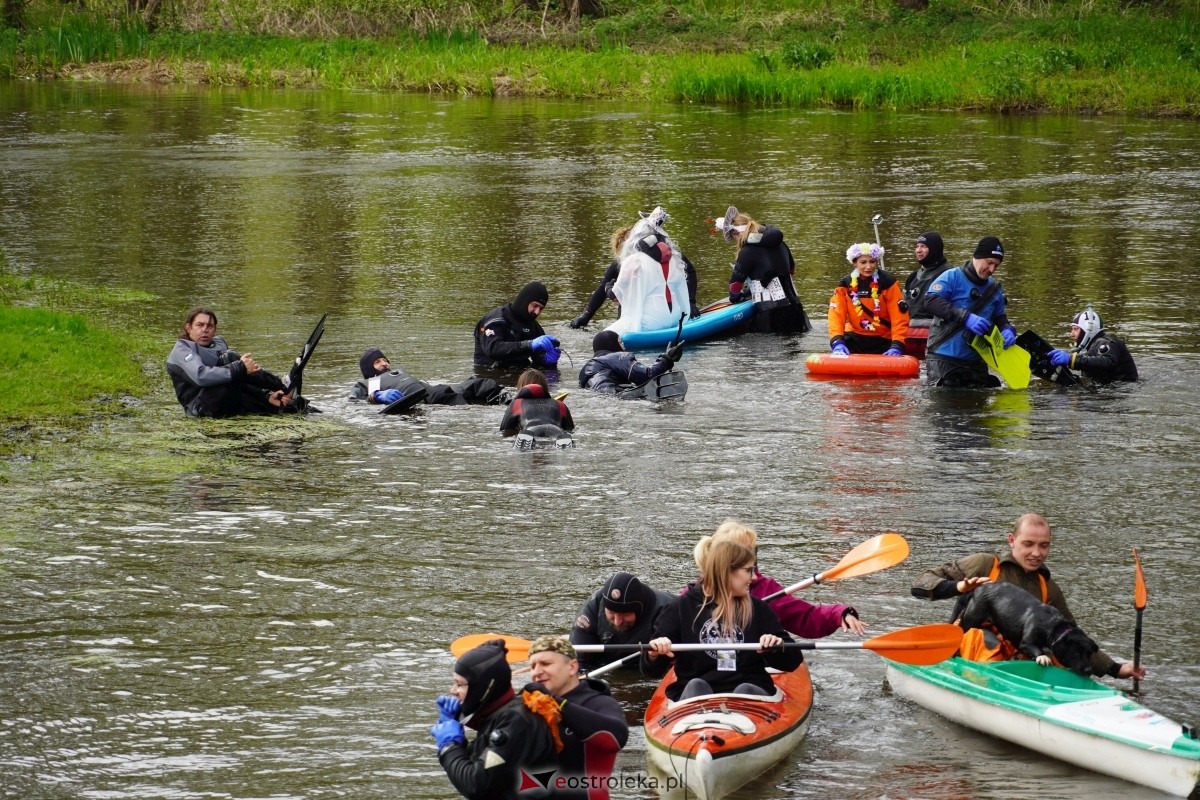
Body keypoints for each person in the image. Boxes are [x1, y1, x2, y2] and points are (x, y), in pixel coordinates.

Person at [910, 513, 1146, 681]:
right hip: (974, 657)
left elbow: (1072, 638)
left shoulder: (1048, 587)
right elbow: (920, 583)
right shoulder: (983, 564)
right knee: (986, 639)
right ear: (1011, 541)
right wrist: (958, 586)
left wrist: (1115, 669)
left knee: (1052, 653)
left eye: (1044, 546)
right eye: (1028, 544)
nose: (1037, 553)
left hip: (1017, 665)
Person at [642, 540, 805, 700]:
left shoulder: (758, 609)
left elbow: (792, 662)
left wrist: (775, 646)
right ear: (727, 572)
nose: (754, 577)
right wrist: (654, 654)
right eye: (749, 570)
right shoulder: (681, 608)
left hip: (751, 692)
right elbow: (651, 671)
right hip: (695, 697)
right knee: (696, 686)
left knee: (745, 689)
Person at [695, 519, 867, 638]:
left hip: (754, 667)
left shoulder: (766, 590)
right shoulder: (694, 595)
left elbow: (806, 618)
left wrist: (839, 614)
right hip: (706, 671)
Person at [431, 639, 557, 800]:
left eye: (460, 684)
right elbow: (479, 765)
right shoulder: (499, 715)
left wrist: (449, 746)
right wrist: (459, 736)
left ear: (483, 688)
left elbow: (476, 785)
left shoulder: (517, 722)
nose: (453, 691)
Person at [524, 635, 629, 800]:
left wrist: (558, 704)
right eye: (532, 666)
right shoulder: (529, 705)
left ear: (572, 667)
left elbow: (616, 738)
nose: (537, 672)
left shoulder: (599, 703)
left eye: (545, 664)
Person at [166, 306, 309, 417]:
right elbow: (201, 376)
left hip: (227, 401)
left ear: (215, 329)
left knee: (283, 407)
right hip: (202, 409)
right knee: (232, 359)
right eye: (200, 325)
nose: (205, 330)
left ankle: (284, 397)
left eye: (210, 326)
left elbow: (237, 380)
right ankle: (283, 384)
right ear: (188, 327)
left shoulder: (218, 344)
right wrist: (239, 367)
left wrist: (265, 395)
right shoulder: (181, 351)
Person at [569, 211, 699, 329]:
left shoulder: (665, 257)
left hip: (647, 319)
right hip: (669, 315)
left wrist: (691, 301)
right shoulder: (671, 255)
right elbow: (601, 290)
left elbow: (610, 292)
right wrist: (586, 315)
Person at [923, 235, 1017, 387]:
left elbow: (1000, 318)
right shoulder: (951, 277)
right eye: (990, 263)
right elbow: (930, 301)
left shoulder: (995, 289)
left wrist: (1008, 330)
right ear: (977, 256)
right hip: (943, 358)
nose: (992, 269)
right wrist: (965, 317)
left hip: (976, 361)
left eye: (996, 266)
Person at [713, 206, 810, 333]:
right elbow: (791, 270)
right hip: (796, 309)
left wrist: (740, 295)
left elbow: (734, 289)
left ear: (736, 234)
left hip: (770, 314)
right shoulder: (781, 243)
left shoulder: (746, 252)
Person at [605, 208, 694, 337]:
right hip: (676, 317)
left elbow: (617, 296)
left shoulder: (634, 260)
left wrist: (608, 288)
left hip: (651, 323)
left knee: (602, 338)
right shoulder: (675, 258)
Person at [570, 571, 674, 672]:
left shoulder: (666, 611)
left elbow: (658, 669)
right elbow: (579, 662)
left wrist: (653, 656)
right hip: (602, 664)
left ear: (639, 610)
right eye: (611, 613)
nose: (617, 622)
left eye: (625, 615)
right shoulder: (594, 606)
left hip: (642, 668)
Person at [827, 242, 910, 356]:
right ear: (854, 263)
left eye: (872, 262)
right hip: (854, 337)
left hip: (883, 338)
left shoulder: (888, 282)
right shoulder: (845, 284)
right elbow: (836, 315)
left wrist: (897, 344)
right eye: (863, 262)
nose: (868, 267)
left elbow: (899, 317)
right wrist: (837, 342)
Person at [351, 348, 506, 406]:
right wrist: (376, 396)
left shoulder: (397, 373)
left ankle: (508, 400)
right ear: (368, 369)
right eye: (377, 362)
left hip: (429, 389)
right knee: (450, 396)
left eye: (385, 359)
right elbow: (353, 402)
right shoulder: (369, 382)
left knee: (478, 383)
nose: (384, 363)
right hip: (422, 399)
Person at [473, 281, 561, 372]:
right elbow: (493, 349)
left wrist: (548, 361)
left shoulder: (534, 327)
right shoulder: (495, 320)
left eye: (541, 308)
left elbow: (539, 359)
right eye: (535, 306)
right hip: (488, 378)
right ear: (525, 301)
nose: (537, 312)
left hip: (519, 375)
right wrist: (528, 345)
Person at [1047, 306, 1138, 384]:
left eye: (1075, 329)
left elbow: (1107, 361)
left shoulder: (1107, 343)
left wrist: (1071, 360)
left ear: (1088, 329)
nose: (1071, 333)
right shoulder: (1093, 348)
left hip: (1122, 392)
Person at [577, 330, 684, 394]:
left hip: (601, 398)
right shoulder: (616, 357)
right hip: (617, 397)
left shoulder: (585, 369)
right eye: (620, 342)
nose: (623, 346)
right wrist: (666, 359)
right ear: (611, 344)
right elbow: (646, 375)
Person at [499, 369, 575, 446]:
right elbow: (570, 429)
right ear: (545, 388)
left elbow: (504, 430)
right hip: (556, 431)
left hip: (530, 431)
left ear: (520, 388)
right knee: (561, 437)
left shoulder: (516, 404)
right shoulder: (559, 404)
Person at [904, 231, 949, 326]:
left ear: (934, 249)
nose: (918, 250)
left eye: (923, 246)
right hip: (909, 332)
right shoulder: (913, 277)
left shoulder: (948, 275)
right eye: (917, 246)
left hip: (934, 333)